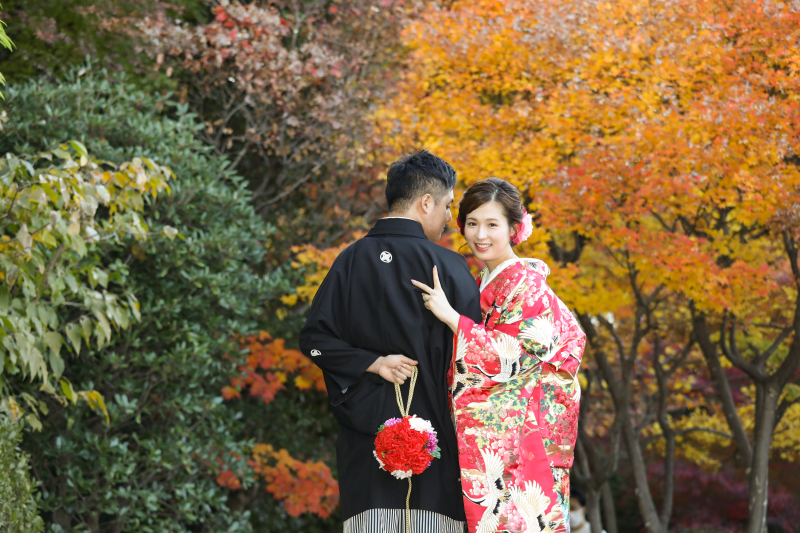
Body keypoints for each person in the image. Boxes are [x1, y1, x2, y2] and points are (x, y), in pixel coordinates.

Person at [300, 150, 482, 533]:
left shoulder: (350, 261)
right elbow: (477, 358)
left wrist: (372, 362)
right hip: (439, 440)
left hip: (367, 440)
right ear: (426, 202)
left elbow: (314, 340)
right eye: (448, 206)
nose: (450, 219)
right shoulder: (450, 268)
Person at [411, 178, 586, 533]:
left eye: (492, 224)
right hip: (504, 432)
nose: (480, 235)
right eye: (472, 223)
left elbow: (507, 356)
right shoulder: (483, 281)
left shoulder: (527, 283)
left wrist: (451, 317)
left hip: (523, 437)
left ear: (515, 228)